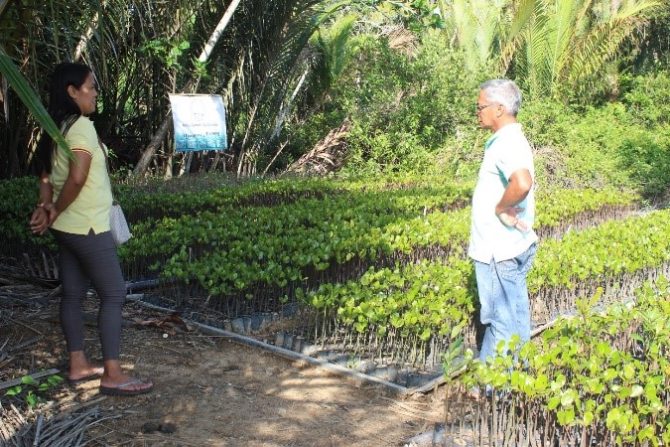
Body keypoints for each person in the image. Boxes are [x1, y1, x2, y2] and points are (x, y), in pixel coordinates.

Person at [29, 62, 153, 396]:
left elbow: (44, 177)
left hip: (66, 228)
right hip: (86, 225)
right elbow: (78, 177)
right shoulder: (81, 126)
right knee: (114, 293)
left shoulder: (55, 127)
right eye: (91, 86)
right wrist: (53, 208)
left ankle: (78, 363)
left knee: (73, 292)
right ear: (72, 91)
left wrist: (48, 208)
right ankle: (112, 374)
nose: (95, 92)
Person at [469, 79, 538, 363]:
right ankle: (504, 381)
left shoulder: (507, 142)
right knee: (513, 316)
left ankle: (495, 389)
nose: (478, 112)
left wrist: (500, 207)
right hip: (510, 246)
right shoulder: (509, 140)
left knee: (501, 321)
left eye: (481, 107)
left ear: (499, 109)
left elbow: (521, 183)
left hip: (499, 251)